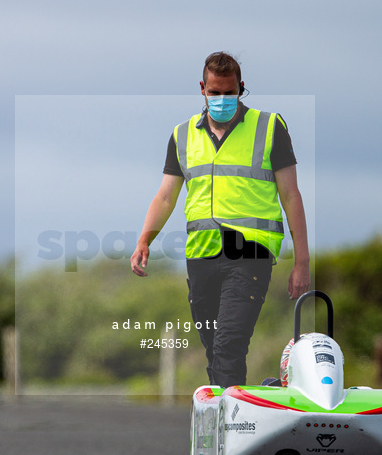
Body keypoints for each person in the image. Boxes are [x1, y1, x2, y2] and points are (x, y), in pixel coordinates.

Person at [130, 52, 310, 387]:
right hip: (201, 256)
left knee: (229, 345)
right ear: (202, 88)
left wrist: (302, 261)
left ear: (241, 88)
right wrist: (144, 240)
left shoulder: (270, 127)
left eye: (230, 92)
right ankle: (236, 416)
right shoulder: (182, 135)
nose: (222, 99)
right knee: (215, 350)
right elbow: (166, 196)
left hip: (250, 254)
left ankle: (231, 429)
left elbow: (291, 196)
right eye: (215, 92)